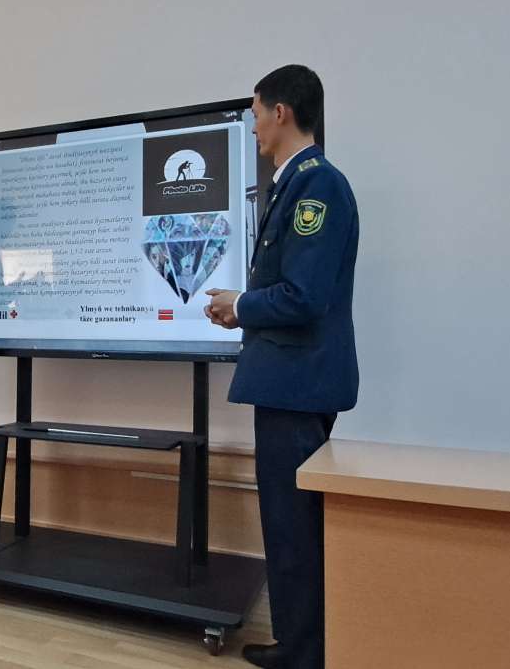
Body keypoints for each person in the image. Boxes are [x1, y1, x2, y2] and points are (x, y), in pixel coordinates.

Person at [205, 65, 359, 668]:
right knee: (289, 525)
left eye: (254, 115)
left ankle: (304, 653)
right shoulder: (297, 181)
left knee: (294, 529)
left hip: (297, 385)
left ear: (280, 112)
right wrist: (240, 310)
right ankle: (300, 645)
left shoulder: (316, 185)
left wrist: (241, 305)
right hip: (289, 382)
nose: (252, 130)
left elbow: (303, 296)